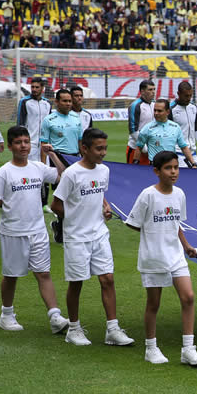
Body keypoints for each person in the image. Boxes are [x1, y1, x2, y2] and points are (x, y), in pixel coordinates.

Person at [50, 128, 134, 347]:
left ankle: (113, 330)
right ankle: (74, 329)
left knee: (108, 279)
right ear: (84, 148)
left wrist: (105, 208)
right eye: (99, 148)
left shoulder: (103, 171)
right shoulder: (71, 174)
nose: (103, 153)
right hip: (77, 238)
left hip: (99, 235)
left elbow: (101, 194)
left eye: (105, 148)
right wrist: (76, 216)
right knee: (77, 283)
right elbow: (56, 205)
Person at [126, 150, 197, 366]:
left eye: (176, 167)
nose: (173, 172)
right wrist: (155, 236)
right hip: (153, 257)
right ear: (156, 171)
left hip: (175, 255)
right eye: (168, 168)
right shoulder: (148, 195)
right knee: (154, 303)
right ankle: (151, 348)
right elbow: (133, 224)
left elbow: (176, 224)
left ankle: (188, 349)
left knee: (188, 297)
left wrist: (186, 246)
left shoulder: (180, 194)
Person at [0, 125, 69, 334]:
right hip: (13, 231)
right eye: (18, 143)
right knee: (11, 275)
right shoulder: (4, 172)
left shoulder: (38, 167)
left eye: (26, 142)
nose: (23, 146)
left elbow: (63, 176)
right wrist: (13, 203)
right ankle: (6, 315)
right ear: (11, 145)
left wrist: (52, 154)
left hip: (38, 231)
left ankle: (55, 316)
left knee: (44, 273)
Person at [40, 88, 83, 243]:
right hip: (57, 158)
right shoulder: (49, 120)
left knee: (75, 194)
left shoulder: (76, 119)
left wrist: (84, 158)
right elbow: (43, 143)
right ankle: (63, 227)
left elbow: (80, 141)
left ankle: (61, 226)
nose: (68, 104)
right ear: (56, 102)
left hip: (74, 159)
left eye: (70, 101)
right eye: (64, 101)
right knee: (62, 196)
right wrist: (43, 164)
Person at [134, 99, 197, 166]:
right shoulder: (147, 128)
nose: (156, 113)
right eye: (155, 110)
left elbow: (184, 147)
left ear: (167, 112)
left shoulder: (176, 127)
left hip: (171, 167)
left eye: (159, 111)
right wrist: (135, 165)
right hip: (154, 167)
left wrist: (193, 163)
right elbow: (139, 147)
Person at [169, 81, 197, 168]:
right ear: (179, 93)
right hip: (177, 154)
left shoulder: (193, 107)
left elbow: (196, 127)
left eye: (190, 95)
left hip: (193, 153)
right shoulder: (171, 109)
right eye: (186, 96)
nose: (189, 98)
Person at [16, 77, 51, 164]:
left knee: (45, 170)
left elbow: (50, 123)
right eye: (32, 87)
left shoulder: (47, 103)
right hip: (31, 142)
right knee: (30, 169)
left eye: (37, 87)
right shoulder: (25, 102)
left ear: (42, 88)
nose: (34, 89)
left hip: (45, 142)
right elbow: (21, 123)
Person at [126, 79, 156, 165]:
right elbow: (133, 130)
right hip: (136, 149)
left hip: (152, 149)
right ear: (142, 91)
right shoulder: (135, 106)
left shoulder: (155, 104)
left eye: (154, 89)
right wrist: (145, 148)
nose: (153, 92)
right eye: (150, 90)